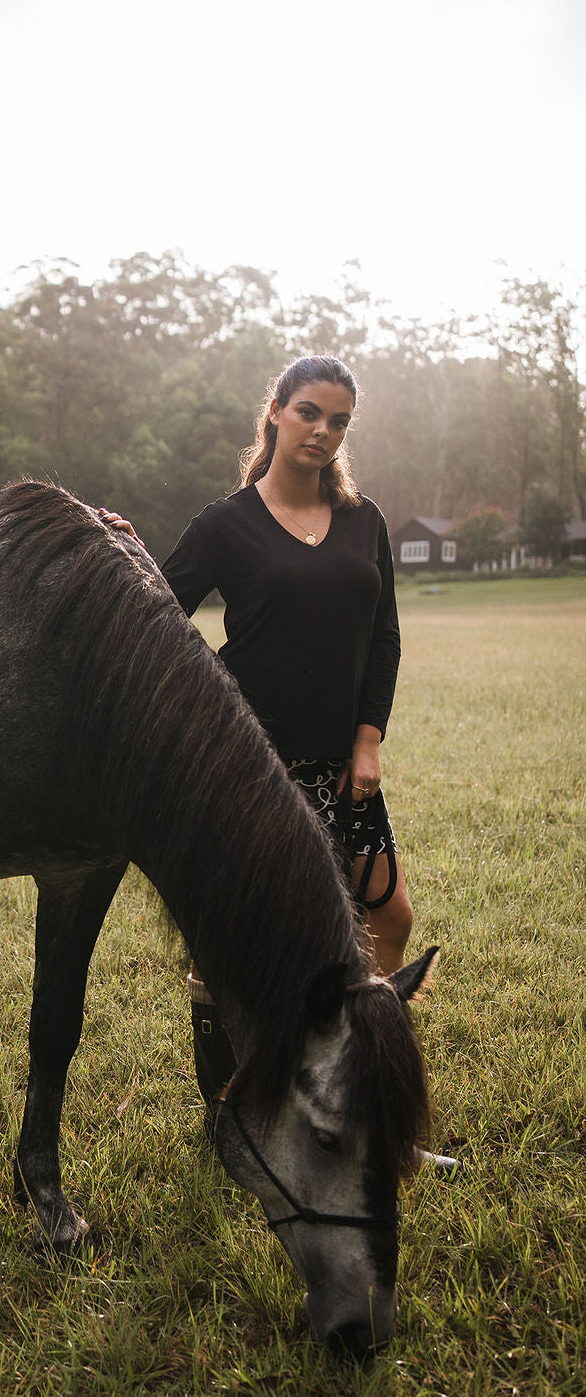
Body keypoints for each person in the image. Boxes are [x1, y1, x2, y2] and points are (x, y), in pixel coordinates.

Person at [101, 354, 456, 1170]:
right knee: (229, 951)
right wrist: (125, 552)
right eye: (308, 413)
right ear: (275, 412)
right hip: (248, 771)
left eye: (339, 421)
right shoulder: (226, 523)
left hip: (342, 768)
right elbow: (157, 613)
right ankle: (235, 1122)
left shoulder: (364, 521)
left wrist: (368, 739)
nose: (322, 431)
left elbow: (385, 637)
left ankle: (363, 1106)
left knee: (390, 921)